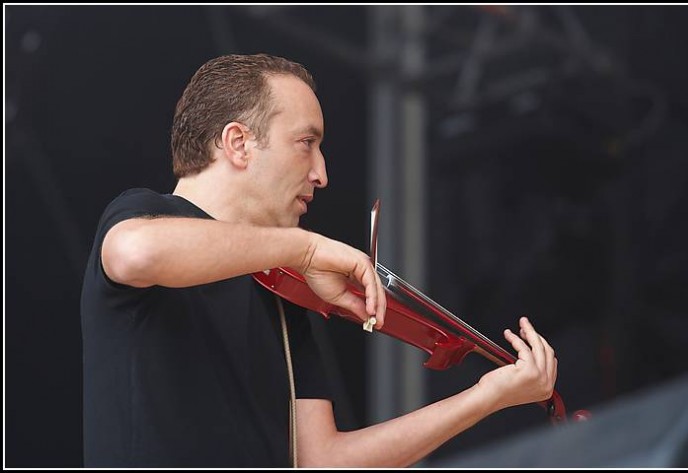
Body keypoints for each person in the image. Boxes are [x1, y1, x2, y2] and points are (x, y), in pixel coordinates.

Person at [80, 53, 558, 468]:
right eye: (306, 143)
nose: (322, 173)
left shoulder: (281, 290)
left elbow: (323, 461)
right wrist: (306, 248)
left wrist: (486, 397)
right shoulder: (145, 213)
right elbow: (136, 254)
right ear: (238, 143)